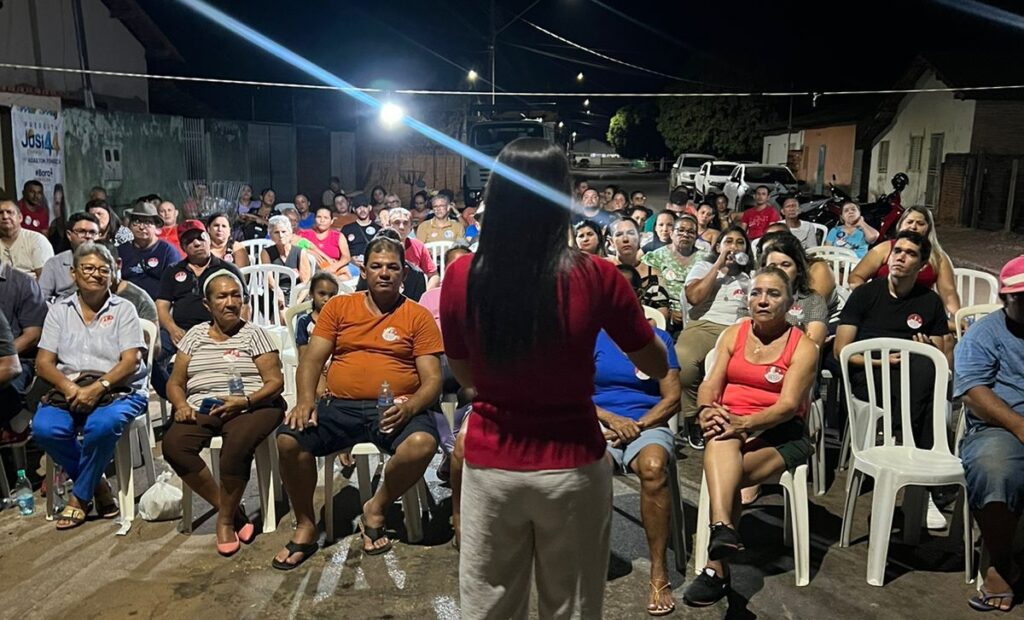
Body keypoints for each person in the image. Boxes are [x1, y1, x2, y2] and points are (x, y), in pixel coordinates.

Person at [439, 137, 669, 618]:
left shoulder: (462, 275)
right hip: (573, 464)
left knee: (489, 606)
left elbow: (464, 372)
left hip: (491, 464)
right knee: (572, 606)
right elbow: (654, 364)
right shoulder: (598, 276)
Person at [273, 236, 443, 568]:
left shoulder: (418, 315)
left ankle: (376, 508)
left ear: (404, 273)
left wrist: (409, 407)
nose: (384, 273)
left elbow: (433, 380)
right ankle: (306, 525)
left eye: (392, 267)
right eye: (376, 266)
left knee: (423, 443)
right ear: (364, 270)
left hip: (395, 407)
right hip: (339, 406)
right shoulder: (339, 308)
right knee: (288, 440)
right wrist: (305, 400)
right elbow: (311, 360)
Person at [684, 267, 817, 607]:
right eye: (756, 292)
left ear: (789, 302)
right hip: (729, 426)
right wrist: (706, 410)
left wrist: (744, 423)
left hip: (780, 431)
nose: (763, 300)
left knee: (727, 473)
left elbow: (788, 406)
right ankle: (723, 533)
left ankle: (716, 566)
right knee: (721, 442)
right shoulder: (735, 333)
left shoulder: (803, 347)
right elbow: (711, 383)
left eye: (773, 294)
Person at [162, 271, 286, 556]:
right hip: (204, 405)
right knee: (174, 445)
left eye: (236, 296)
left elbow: (275, 382)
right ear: (207, 305)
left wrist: (244, 401)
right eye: (222, 296)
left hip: (254, 405)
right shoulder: (194, 336)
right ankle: (231, 511)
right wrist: (181, 405)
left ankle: (225, 522)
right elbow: (175, 382)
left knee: (236, 446)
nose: (230, 302)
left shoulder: (254, 334)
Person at [834, 230, 952, 528]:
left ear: (922, 265)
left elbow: (940, 355)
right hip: (870, 373)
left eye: (910, 254)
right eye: (897, 251)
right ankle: (923, 488)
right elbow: (841, 351)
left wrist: (927, 348)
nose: (900, 257)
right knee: (927, 400)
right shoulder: (866, 294)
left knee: (923, 369)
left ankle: (900, 446)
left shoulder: (930, 302)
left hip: (912, 377)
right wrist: (881, 360)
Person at [31, 243, 148, 530]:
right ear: (74, 273)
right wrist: (71, 389)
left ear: (113, 274)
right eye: (88, 268)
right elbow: (43, 363)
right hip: (71, 389)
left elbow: (131, 361)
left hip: (119, 388)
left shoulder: (124, 309)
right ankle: (98, 486)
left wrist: (98, 387)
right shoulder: (59, 311)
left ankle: (80, 497)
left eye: (103, 270)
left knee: (102, 425)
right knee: (45, 428)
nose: (96, 274)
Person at [593, 324, 681, 616]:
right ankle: (587, 557)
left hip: (648, 422)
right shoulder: (590, 336)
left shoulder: (658, 339)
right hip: (599, 422)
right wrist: (612, 420)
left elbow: (672, 397)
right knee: (591, 468)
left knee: (654, 468)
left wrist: (637, 425)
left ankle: (659, 569)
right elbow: (573, 393)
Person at [955, 256, 1024, 613]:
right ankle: (1000, 560)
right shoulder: (985, 333)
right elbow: (972, 391)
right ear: (1005, 298)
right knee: (995, 469)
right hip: (999, 426)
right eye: (1021, 298)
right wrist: (1019, 426)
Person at [677, 225, 754, 450]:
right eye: (728, 241)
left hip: (737, 329)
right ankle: (693, 417)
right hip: (703, 326)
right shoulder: (703, 267)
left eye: (740, 242)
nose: (734, 247)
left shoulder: (750, 277)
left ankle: (733, 420)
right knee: (684, 364)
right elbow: (694, 297)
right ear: (718, 246)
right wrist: (719, 265)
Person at [155, 220, 248, 397]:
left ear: (208, 238)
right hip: (181, 330)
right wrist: (172, 329)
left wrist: (233, 332)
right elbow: (161, 305)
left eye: (200, 237)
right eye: (189, 241)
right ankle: (177, 396)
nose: (197, 243)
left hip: (217, 330)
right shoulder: (173, 271)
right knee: (151, 354)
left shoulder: (227, 269)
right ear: (183, 247)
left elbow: (244, 305)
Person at [848, 205, 960, 321]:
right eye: (909, 222)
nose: (913, 227)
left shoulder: (938, 257)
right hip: (881, 307)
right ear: (900, 225)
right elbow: (856, 277)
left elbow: (949, 293)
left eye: (920, 223)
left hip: (918, 313)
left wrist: (959, 317)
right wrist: (870, 299)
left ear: (928, 228)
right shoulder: (884, 248)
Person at [0, 261, 47, 441]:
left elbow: (33, 335)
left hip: (20, 359)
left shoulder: (22, 283)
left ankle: (15, 426)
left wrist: (5, 354)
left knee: (7, 386)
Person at [758, 234, 829, 346]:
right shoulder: (753, 298)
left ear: (799, 270)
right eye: (772, 266)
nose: (779, 271)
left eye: (785, 265)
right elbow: (742, 336)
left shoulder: (814, 301)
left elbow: (813, 345)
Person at [642, 215, 707, 330]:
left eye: (691, 232)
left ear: (696, 237)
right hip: (663, 312)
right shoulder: (656, 256)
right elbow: (648, 288)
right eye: (680, 230)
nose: (685, 235)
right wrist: (668, 311)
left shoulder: (706, 258)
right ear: (671, 234)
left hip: (697, 315)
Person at [117, 201, 182, 299]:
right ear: (129, 225)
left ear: (156, 227)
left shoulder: (167, 251)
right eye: (136, 222)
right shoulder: (122, 250)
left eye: (148, 222)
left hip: (159, 302)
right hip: (126, 302)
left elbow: (174, 287)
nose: (141, 227)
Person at [608, 217, 670, 320]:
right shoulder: (602, 271)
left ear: (640, 238)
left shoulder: (653, 274)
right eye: (619, 234)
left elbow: (662, 312)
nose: (625, 239)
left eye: (631, 233)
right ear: (611, 242)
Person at [39, 212, 100, 301]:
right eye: (81, 232)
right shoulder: (54, 263)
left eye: (92, 232)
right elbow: (42, 297)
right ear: (69, 235)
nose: (87, 236)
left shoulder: (106, 261)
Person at [260, 215, 311, 305]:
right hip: (275, 292)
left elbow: (305, 281)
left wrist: (295, 303)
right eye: (276, 232)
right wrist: (279, 293)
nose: (281, 235)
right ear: (271, 235)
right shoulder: (266, 252)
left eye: (284, 231)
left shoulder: (300, 252)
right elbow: (269, 279)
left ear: (290, 233)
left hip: (296, 293)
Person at [0, 199, 53, 279]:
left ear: (20, 217)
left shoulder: (37, 240)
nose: (5, 216)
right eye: (0, 213)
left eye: (9, 212)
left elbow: (46, 280)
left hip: (33, 286)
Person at [388, 208, 439, 289]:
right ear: (389, 226)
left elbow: (434, 275)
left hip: (413, 292)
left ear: (411, 228)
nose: (401, 227)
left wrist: (425, 294)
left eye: (405, 223)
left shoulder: (418, 246)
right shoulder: (380, 246)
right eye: (397, 222)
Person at [298, 207, 355, 278]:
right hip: (310, 271)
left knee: (344, 275)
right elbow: (293, 245)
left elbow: (346, 257)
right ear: (314, 219)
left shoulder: (338, 236)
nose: (322, 220)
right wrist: (309, 251)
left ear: (331, 221)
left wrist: (333, 267)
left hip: (334, 269)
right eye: (319, 217)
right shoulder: (304, 234)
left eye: (326, 218)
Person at [340, 197, 379, 264]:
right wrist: (350, 260)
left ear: (370, 208)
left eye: (365, 206)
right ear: (354, 210)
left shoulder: (379, 229)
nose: (362, 210)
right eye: (358, 207)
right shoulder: (346, 229)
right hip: (352, 266)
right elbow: (341, 251)